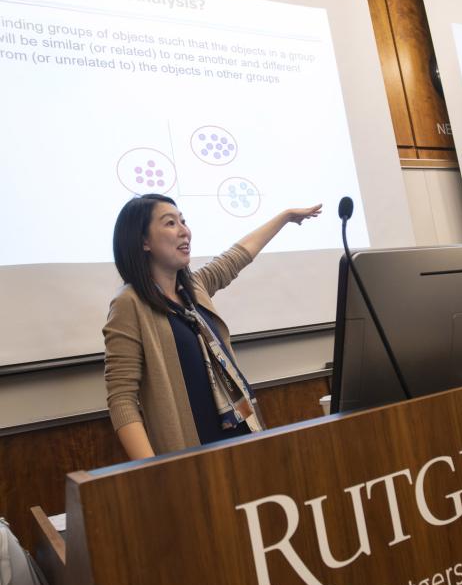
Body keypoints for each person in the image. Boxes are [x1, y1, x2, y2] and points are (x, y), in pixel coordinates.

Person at [103, 193, 322, 459]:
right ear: (143, 241)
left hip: (243, 434)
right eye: (170, 223)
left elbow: (237, 256)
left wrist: (285, 217)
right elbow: (121, 399)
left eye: (183, 222)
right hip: (194, 456)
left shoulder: (193, 289)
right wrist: (153, 471)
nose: (185, 231)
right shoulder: (129, 303)